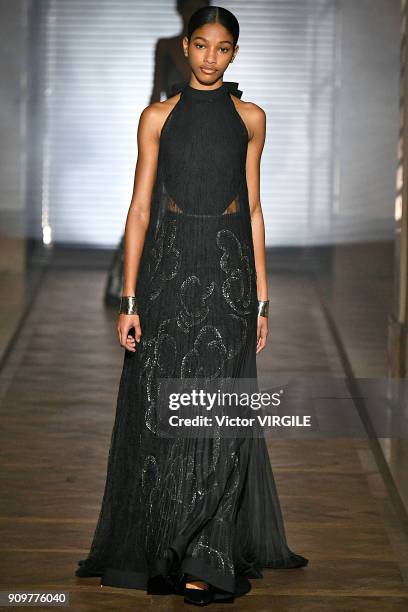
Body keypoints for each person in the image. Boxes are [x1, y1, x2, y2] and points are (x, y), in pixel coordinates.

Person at [76, 5, 308, 607]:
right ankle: (163, 546)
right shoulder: (157, 117)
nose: (210, 58)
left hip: (229, 274)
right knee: (163, 410)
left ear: (235, 53)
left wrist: (262, 299)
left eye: (222, 48)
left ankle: (209, 552)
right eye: (201, 46)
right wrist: (129, 300)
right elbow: (140, 210)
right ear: (185, 47)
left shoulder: (250, 118)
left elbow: (254, 210)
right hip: (169, 273)